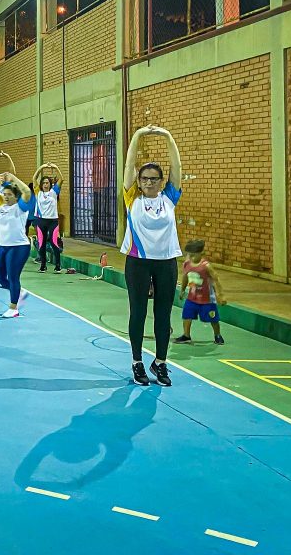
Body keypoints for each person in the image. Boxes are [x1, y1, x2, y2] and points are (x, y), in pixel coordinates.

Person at [121, 124, 183, 387]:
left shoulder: (169, 197)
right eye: (144, 178)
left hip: (166, 263)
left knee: (163, 315)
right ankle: (137, 362)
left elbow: (176, 169)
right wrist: (138, 136)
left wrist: (168, 137)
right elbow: (129, 165)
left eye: (153, 179)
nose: (148, 182)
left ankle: (161, 362)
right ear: (139, 181)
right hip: (137, 263)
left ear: (161, 182)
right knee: (138, 312)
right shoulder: (131, 197)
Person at [0, 173, 35, 319]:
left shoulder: (20, 208)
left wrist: (13, 178)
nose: (6, 196)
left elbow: (27, 192)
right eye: (5, 194)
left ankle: (14, 307)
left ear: (16, 197)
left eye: (10, 194)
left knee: (13, 276)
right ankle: (19, 292)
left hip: (19, 247)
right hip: (3, 247)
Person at [174, 239, 226, 345]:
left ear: (200, 253)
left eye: (193, 255)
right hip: (192, 297)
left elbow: (216, 279)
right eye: (189, 254)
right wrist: (183, 290)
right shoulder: (187, 264)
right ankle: (186, 335)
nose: (190, 257)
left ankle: (217, 335)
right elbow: (185, 277)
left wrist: (220, 295)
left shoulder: (206, 266)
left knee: (213, 318)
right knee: (187, 315)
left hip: (207, 299)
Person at [32, 162, 64, 273]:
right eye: (44, 183)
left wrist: (55, 167)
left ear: (50, 184)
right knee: (41, 244)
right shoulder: (38, 192)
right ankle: (43, 266)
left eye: (47, 183)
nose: (46, 184)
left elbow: (61, 178)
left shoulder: (54, 192)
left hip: (53, 222)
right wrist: (42, 167)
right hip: (40, 221)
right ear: (41, 184)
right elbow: (34, 178)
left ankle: (58, 265)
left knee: (54, 243)